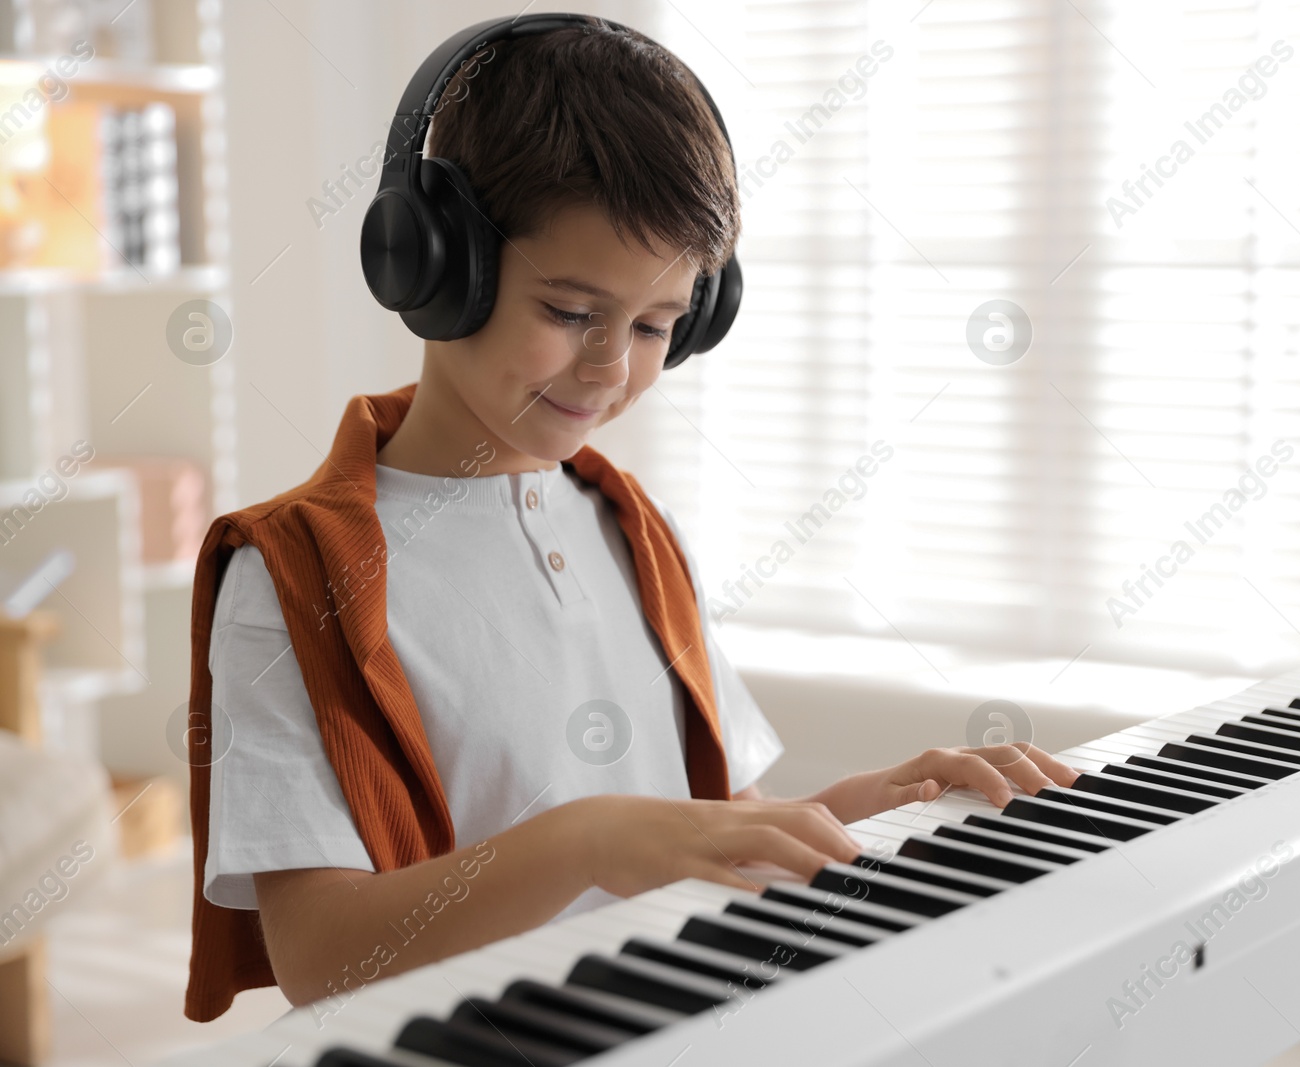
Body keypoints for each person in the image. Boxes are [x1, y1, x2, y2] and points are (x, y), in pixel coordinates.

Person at [186, 17, 1077, 1018]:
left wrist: (865, 805)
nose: (612, 365)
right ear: (435, 267)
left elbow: (700, 833)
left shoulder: (628, 524)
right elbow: (323, 958)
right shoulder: (295, 573)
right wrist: (585, 835)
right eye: (571, 312)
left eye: (656, 324)